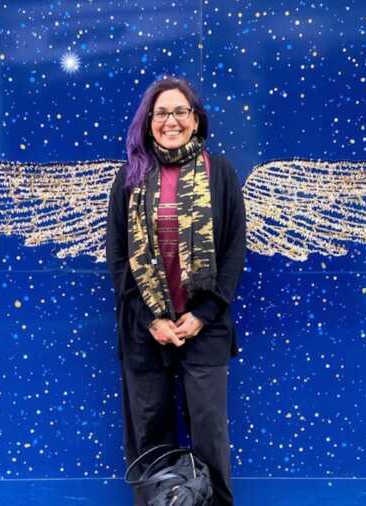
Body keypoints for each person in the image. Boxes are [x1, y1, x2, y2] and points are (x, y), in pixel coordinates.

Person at [105, 76, 247, 506]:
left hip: (205, 326)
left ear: (195, 119)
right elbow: (118, 258)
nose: (171, 121)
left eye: (180, 111)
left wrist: (202, 314)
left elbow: (233, 250)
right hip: (145, 331)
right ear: (148, 122)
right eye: (162, 112)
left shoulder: (219, 172)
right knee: (150, 434)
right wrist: (153, 320)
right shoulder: (129, 177)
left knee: (209, 435)